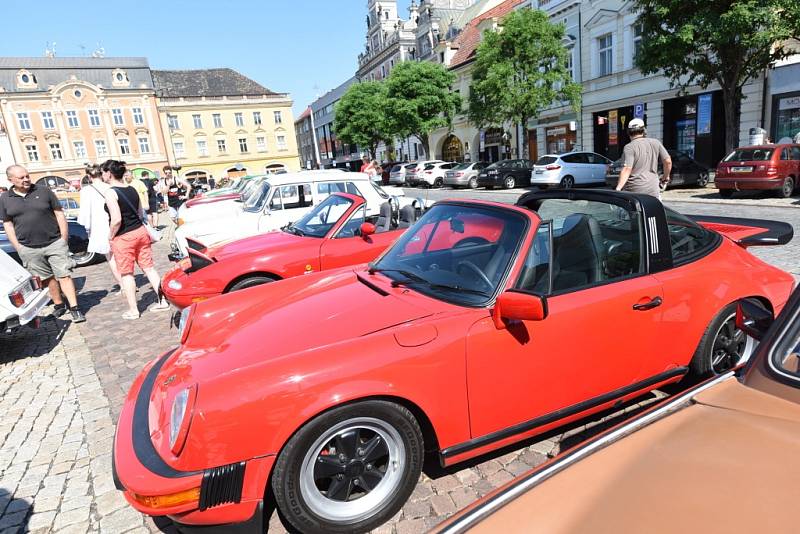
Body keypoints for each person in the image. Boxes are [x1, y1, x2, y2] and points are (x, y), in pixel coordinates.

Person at [0, 165, 85, 322]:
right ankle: (59, 305)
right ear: (10, 179)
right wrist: (18, 247)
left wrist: (63, 239)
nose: (26, 179)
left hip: (54, 242)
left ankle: (75, 308)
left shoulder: (43, 191)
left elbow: (59, 214)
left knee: (64, 275)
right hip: (28, 247)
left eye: (27, 176)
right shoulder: (5, 198)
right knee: (46, 278)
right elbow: (8, 224)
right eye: (21, 177)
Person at [102, 160, 169, 320]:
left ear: (109, 174)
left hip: (124, 237)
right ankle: (163, 300)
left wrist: (110, 236)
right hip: (140, 232)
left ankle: (134, 310)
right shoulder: (131, 188)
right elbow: (141, 212)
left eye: (103, 172)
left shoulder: (111, 193)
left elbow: (116, 219)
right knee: (149, 268)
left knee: (126, 273)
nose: (102, 175)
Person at [78, 164, 123, 292]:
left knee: (111, 257)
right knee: (120, 254)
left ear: (88, 176)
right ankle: (128, 280)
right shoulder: (109, 187)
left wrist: (87, 227)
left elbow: (84, 213)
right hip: (113, 221)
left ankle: (123, 284)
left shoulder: (86, 191)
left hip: (99, 225)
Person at [615, 118, 672, 199]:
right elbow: (668, 161)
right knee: (654, 210)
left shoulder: (629, 147)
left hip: (634, 190)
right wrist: (666, 177)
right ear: (644, 130)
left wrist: (618, 189)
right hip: (653, 189)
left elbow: (627, 168)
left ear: (628, 132)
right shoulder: (656, 142)